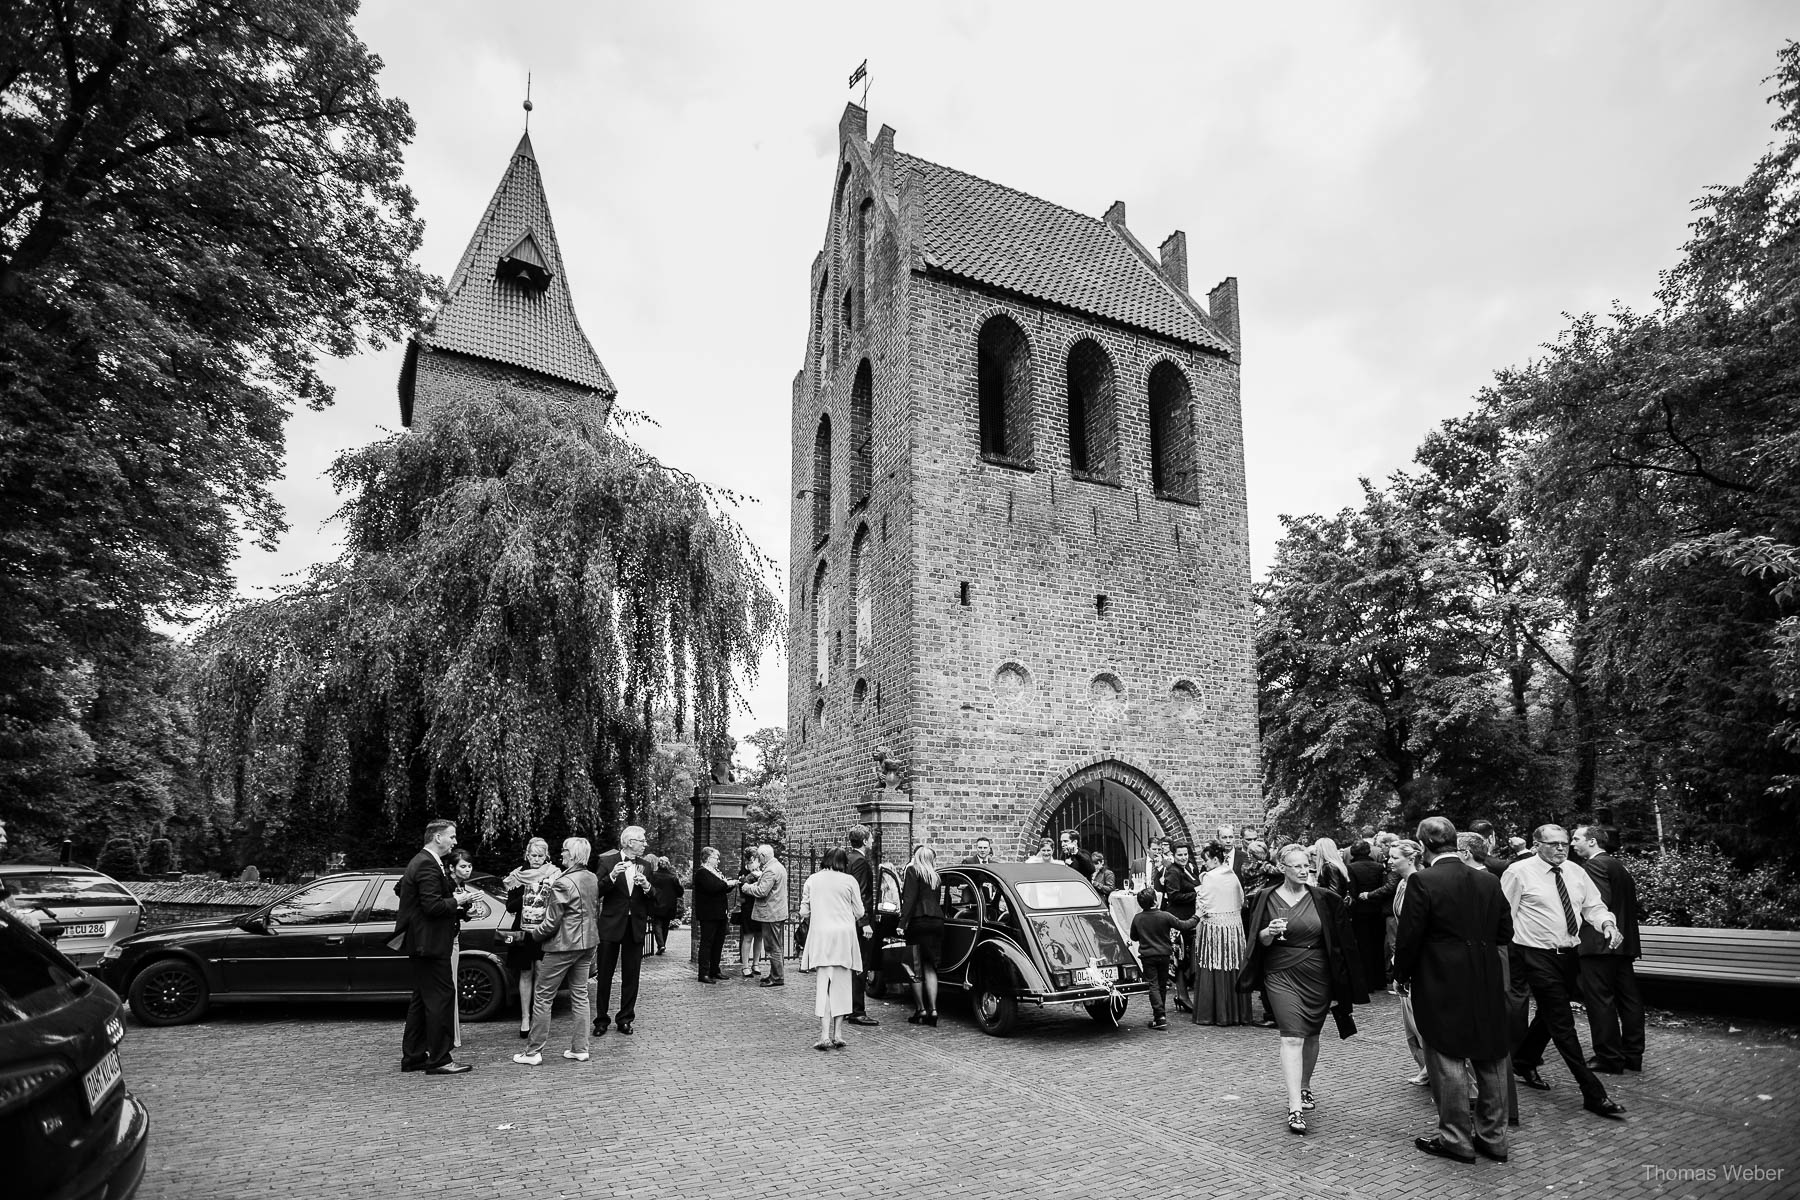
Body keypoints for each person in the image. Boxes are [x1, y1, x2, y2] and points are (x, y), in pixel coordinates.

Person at [1395, 818, 1515, 1164]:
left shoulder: (1423, 880)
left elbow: (1411, 936)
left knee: (1446, 1054)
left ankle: (1456, 1138)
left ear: (1423, 845)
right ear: (1454, 842)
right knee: (1489, 1052)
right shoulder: (1487, 880)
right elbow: (1504, 931)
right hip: (1484, 975)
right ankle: (1494, 1138)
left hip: (1441, 977)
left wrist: (1402, 975)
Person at [1238, 843, 1368, 1134]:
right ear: (1282, 868)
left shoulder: (1324, 898)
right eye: (1296, 865)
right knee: (1292, 1037)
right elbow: (1256, 941)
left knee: (1311, 1035)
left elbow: (1340, 943)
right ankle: (1295, 1106)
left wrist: (1343, 986)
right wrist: (1267, 932)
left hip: (1317, 974)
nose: (1303, 869)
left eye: (1306, 864)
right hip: (1281, 973)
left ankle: (1306, 1084)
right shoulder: (1263, 898)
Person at [1501, 824, 1627, 1118]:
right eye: (1553, 843)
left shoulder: (1576, 871)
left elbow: (1593, 906)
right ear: (1536, 845)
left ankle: (1523, 1059)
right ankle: (1593, 1093)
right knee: (1562, 1021)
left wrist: (1607, 925)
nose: (1561, 848)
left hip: (1569, 954)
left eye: (1565, 844)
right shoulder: (1519, 872)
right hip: (1534, 954)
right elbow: (1504, 915)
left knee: (1549, 1014)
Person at [396, 818, 474, 1075]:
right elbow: (431, 906)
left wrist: (457, 908)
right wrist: (457, 900)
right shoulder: (427, 865)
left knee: (421, 1000)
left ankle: (414, 1056)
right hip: (429, 945)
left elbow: (408, 894)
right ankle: (440, 1059)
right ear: (437, 837)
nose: (455, 841)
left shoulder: (423, 862)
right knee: (441, 998)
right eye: (451, 836)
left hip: (423, 943)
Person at [513, 837, 599, 1066]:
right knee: (580, 995)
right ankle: (580, 1049)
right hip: (588, 943)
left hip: (562, 946)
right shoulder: (591, 878)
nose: (561, 854)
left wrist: (533, 935)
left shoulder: (563, 882)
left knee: (542, 997)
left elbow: (551, 922)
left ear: (572, 854)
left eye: (564, 851)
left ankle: (533, 1053)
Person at [1572, 823, 1645, 1074]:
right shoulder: (1619, 866)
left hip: (1600, 943)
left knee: (1600, 1000)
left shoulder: (1594, 866)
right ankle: (1633, 1055)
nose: (1572, 844)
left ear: (1592, 842)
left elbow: (1597, 904)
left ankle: (1609, 1057)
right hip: (1623, 944)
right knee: (1629, 999)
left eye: (1576, 839)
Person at [799, 847, 869, 1050]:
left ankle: (824, 1035)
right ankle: (838, 1034)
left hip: (822, 936)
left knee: (824, 987)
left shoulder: (813, 879)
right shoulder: (849, 881)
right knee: (842, 986)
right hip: (844, 936)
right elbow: (859, 911)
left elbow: (804, 911)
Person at [591, 825, 654, 1036]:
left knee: (631, 975)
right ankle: (601, 1020)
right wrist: (611, 877)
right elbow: (595, 890)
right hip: (610, 925)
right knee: (605, 974)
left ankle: (625, 1018)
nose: (645, 844)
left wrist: (646, 886)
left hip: (634, 926)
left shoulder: (646, 865)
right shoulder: (607, 862)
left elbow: (654, 897)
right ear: (629, 842)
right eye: (642, 840)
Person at [503, 838, 561, 1036]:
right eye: (533, 855)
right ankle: (525, 1017)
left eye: (540, 856)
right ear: (527, 855)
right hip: (523, 930)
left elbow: (559, 902)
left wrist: (547, 888)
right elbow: (510, 907)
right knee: (525, 972)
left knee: (541, 971)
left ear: (547, 856)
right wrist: (531, 890)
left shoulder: (554, 874)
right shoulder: (517, 875)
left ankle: (539, 1015)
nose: (536, 859)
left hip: (544, 930)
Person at [1192, 841, 1252, 1026]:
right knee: (1233, 966)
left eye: (1207, 861)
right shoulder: (1232, 875)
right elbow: (1241, 900)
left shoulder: (1209, 877)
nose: (1205, 864)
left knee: (1214, 965)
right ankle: (1236, 1012)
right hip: (1234, 928)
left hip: (1215, 929)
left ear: (1215, 859)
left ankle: (1214, 1012)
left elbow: (1202, 904)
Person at [1128, 887, 1197, 1029]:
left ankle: (1159, 1016)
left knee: (1153, 985)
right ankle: (1160, 1014)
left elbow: (1133, 937)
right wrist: (1197, 916)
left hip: (1147, 956)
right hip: (1164, 954)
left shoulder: (1138, 918)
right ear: (1155, 900)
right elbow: (1183, 925)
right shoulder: (1165, 916)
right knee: (1161, 985)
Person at [898, 844, 944, 1025]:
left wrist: (902, 924)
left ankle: (921, 1009)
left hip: (918, 921)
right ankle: (933, 1010)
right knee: (930, 967)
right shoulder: (936, 876)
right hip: (937, 922)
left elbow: (909, 899)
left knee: (914, 968)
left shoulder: (912, 871)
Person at [843, 825, 881, 1027]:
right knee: (860, 965)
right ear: (865, 841)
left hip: (846, 920)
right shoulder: (861, 863)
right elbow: (861, 895)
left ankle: (849, 1007)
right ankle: (857, 1010)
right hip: (857, 922)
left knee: (850, 965)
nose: (873, 842)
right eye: (871, 839)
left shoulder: (847, 859)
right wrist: (864, 922)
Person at [741, 843, 789, 988]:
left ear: (762, 856)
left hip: (770, 913)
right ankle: (776, 974)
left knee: (772, 947)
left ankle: (776, 977)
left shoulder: (770, 870)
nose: (758, 860)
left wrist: (747, 887)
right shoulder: (779, 866)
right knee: (777, 946)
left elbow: (762, 891)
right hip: (778, 912)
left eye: (759, 857)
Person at [1160, 843, 1199, 1014]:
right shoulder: (1173, 872)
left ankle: (1182, 995)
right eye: (1180, 855)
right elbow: (1174, 895)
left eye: (1185, 854)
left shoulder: (1188, 869)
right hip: (1178, 920)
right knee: (1180, 959)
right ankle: (1182, 996)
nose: (1183, 857)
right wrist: (1197, 894)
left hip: (1189, 920)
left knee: (1187, 957)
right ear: (1173, 855)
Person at [689, 846, 737, 984]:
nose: (718, 861)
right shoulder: (702, 873)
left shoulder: (715, 872)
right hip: (709, 914)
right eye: (716, 858)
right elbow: (714, 887)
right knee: (707, 943)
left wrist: (730, 885)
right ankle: (703, 973)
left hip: (720, 913)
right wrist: (727, 883)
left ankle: (714, 970)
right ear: (708, 858)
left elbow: (721, 889)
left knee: (718, 942)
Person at [1346, 839, 1387, 991]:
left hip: (1360, 912)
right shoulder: (1378, 867)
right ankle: (1379, 980)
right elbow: (1383, 887)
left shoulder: (1351, 867)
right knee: (1377, 946)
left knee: (1363, 947)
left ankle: (1367, 982)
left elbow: (1353, 891)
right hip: (1377, 910)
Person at [447, 848, 476, 1049]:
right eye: (463, 866)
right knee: (449, 986)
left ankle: (453, 1034)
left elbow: (460, 914)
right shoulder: (446, 884)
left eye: (469, 866)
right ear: (452, 868)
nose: (467, 870)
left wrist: (469, 911)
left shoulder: (461, 885)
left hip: (454, 936)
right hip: (445, 939)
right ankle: (450, 1034)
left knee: (453, 985)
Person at [736, 847, 764, 977]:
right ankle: (745, 965)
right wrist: (753, 879)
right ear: (750, 860)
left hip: (760, 907)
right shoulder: (743, 873)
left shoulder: (763, 872)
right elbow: (743, 889)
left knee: (759, 936)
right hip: (748, 907)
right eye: (755, 860)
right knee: (748, 936)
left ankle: (756, 963)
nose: (757, 863)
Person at [647, 854, 683, 955]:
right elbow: (680, 892)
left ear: (658, 864)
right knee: (665, 925)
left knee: (657, 924)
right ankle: (662, 945)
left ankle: (661, 944)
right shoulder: (673, 877)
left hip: (656, 903)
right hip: (669, 905)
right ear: (668, 865)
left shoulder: (653, 875)